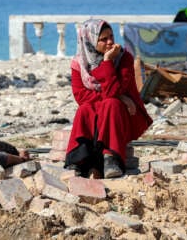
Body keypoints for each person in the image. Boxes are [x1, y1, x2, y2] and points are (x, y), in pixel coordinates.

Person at [65, 19, 153, 179]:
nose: (110, 42)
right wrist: (120, 97)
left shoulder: (124, 58)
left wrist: (107, 62)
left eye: (111, 36)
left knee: (111, 103)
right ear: (90, 40)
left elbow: (114, 90)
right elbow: (81, 96)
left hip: (125, 114)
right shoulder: (80, 63)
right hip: (102, 109)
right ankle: (78, 161)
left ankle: (111, 159)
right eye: (103, 39)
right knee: (85, 109)